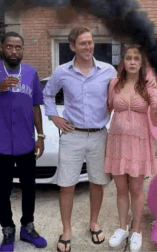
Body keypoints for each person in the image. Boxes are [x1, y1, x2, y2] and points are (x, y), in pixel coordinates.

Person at [43, 26, 117, 252]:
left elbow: (117, 97)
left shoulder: (108, 71)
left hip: (98, 135)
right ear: (73, 46)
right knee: (66, 185)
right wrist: (54, 116)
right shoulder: (62, 72)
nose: (88, 46)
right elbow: (47, 93)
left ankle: (93, 223)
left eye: (90, 42)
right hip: (72, 135)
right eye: (83, 43)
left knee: (97, 184)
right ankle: (66, 230)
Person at [105, 44, 157, 252]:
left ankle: (136, 231)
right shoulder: (114, 83)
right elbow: (106, 110)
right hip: (118, 142)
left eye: (136, 59)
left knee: (136, 190)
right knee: (121, 190)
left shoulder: (148, 84)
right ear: (123, 62)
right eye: (128, 58)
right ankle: (122, 227)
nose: (132, 61)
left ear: (141, 64)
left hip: (139, 143)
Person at [0, 32, 47, 251]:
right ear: (2, 48)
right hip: (0, 145)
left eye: (18, 47)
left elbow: (36, 105)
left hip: (26, 143)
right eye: (9, 47)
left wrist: (40, 136)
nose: (14, 51)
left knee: (29, 188)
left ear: (23, 50)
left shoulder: (31, 73)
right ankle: (7, 230)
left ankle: (27, 228)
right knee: (2, 191)